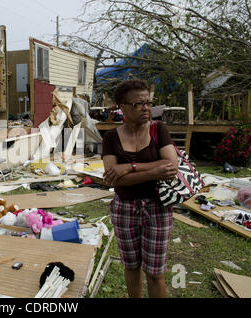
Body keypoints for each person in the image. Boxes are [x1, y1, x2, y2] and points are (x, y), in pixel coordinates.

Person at [101, 79, 178, 298]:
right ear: (122, 107)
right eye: (138, 104)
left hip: (157, 208)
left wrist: (130, 167)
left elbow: (171, 166)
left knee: (155, 273)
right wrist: (155, 171)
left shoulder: (158, 129)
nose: (145, 107)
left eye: (148, 102)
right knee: (131, 266)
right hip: (124, 208)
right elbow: (113, 179)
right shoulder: (111, 137)